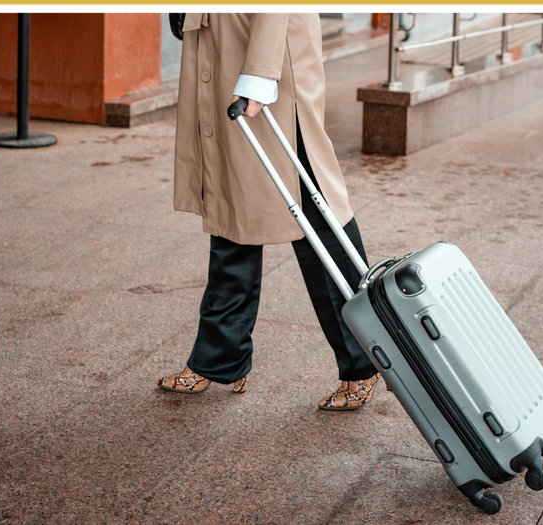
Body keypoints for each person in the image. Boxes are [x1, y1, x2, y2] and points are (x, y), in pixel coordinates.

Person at [157, 10, 380, 410]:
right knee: (232, 208)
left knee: (315, 213)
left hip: (266, 58)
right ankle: (220, 358)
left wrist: (260, 73)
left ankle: (365, 360)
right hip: (225, 45)